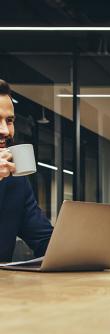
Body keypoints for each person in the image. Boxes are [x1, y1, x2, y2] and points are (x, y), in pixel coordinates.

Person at [0, 79, 53, 262]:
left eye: (9, 121)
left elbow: (45, 241)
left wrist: (87, 248)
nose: (5, 130)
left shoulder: (15, 180)